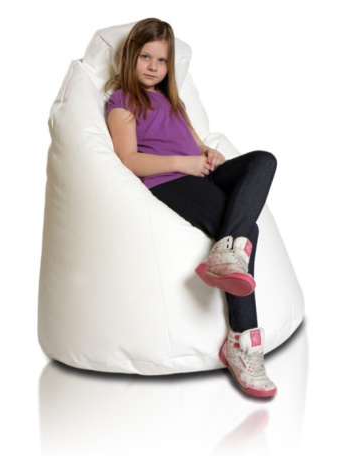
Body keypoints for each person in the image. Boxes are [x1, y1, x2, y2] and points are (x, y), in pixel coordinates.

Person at [106, 18, 278, 398]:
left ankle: (224, 256)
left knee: (263, 160)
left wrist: (207, 153)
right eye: (146, 57)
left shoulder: (174, 102)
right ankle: (241, 343)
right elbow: (129, 160)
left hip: (201, 173)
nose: (153, 67)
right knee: (248, 229)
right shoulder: (122, 102)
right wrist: (184, 164)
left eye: (162, 60)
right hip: (170, 181)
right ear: (130, 56)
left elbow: (194, 143)